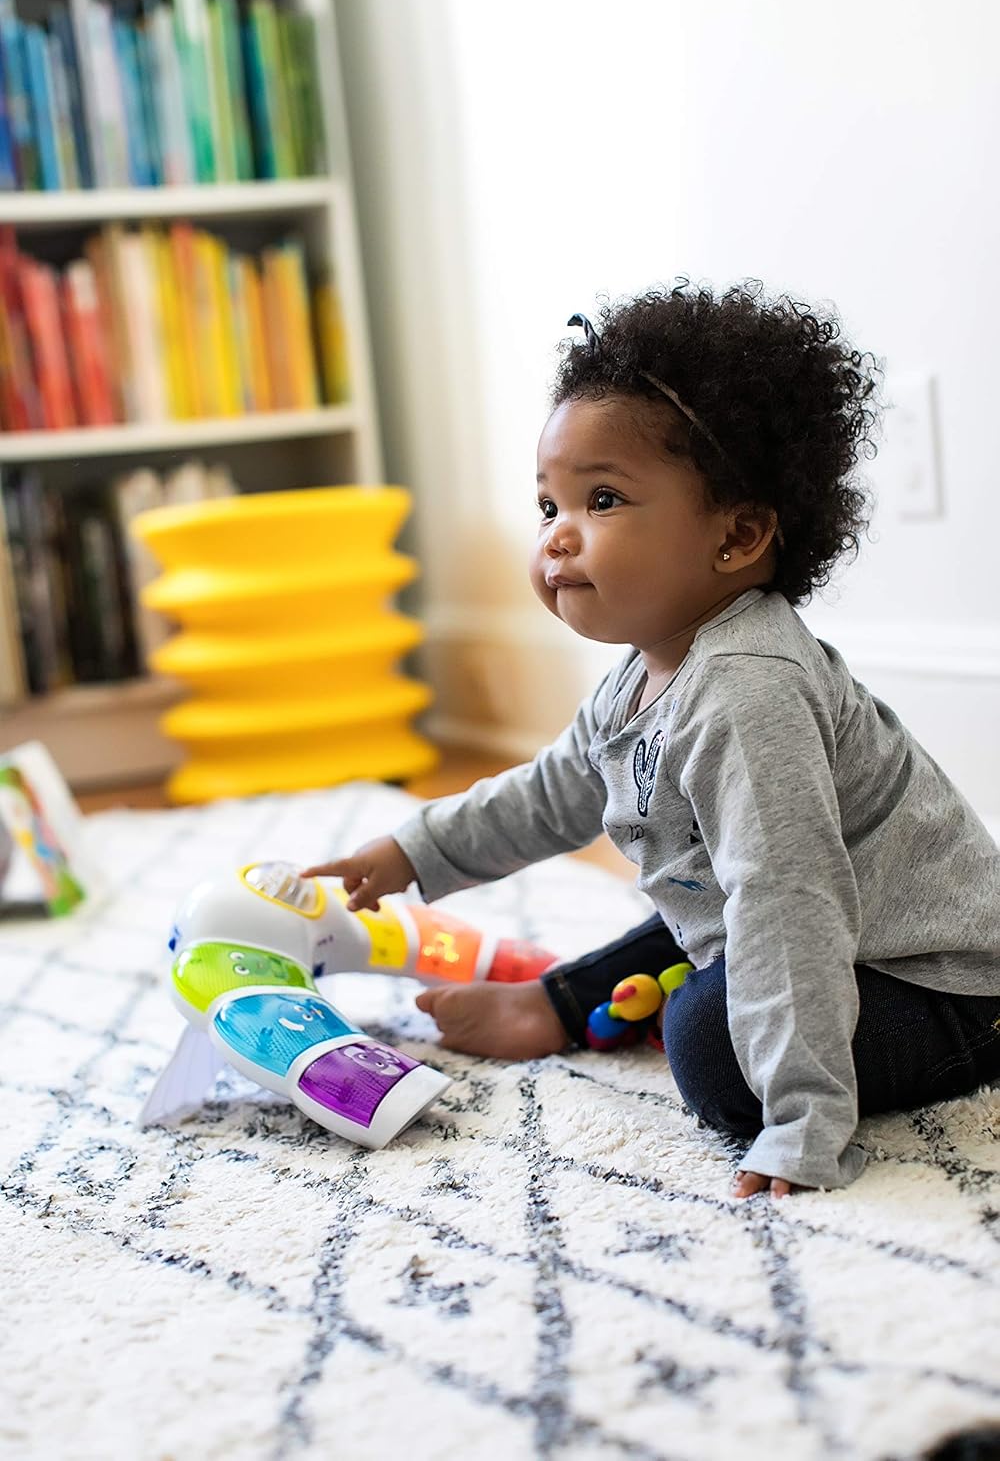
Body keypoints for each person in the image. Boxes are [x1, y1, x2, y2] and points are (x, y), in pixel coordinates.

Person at [303, 280, 1000, 1198]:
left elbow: (790, 903)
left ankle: (618, 1013)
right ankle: (562, 1003)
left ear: (738, 534)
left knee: (708, 1042)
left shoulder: (748, 693)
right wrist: (411, 850)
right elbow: (554, 793)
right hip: (831, 921)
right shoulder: (647, 671)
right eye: (548, 506)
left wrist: (803, 1118)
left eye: (602, 499)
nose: (557, 539)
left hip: (946, 985)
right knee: (696, 904)